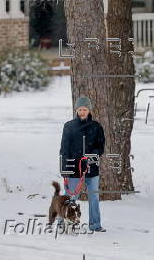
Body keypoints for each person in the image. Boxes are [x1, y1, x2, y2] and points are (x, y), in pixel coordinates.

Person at [58, 96, 106, 232]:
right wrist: (64, 168)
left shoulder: (96, 127)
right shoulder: (69, 126)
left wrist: (91, 157)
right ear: (76, 110)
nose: (82, 112)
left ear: (89, 110)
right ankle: (62, 222)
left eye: (85, 109)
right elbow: (64, 149)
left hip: (92, 168)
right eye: (80, 109)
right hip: (74, 167)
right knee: (70, 197)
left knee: (94, 197)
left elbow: (100, 146)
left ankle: (95, 225)